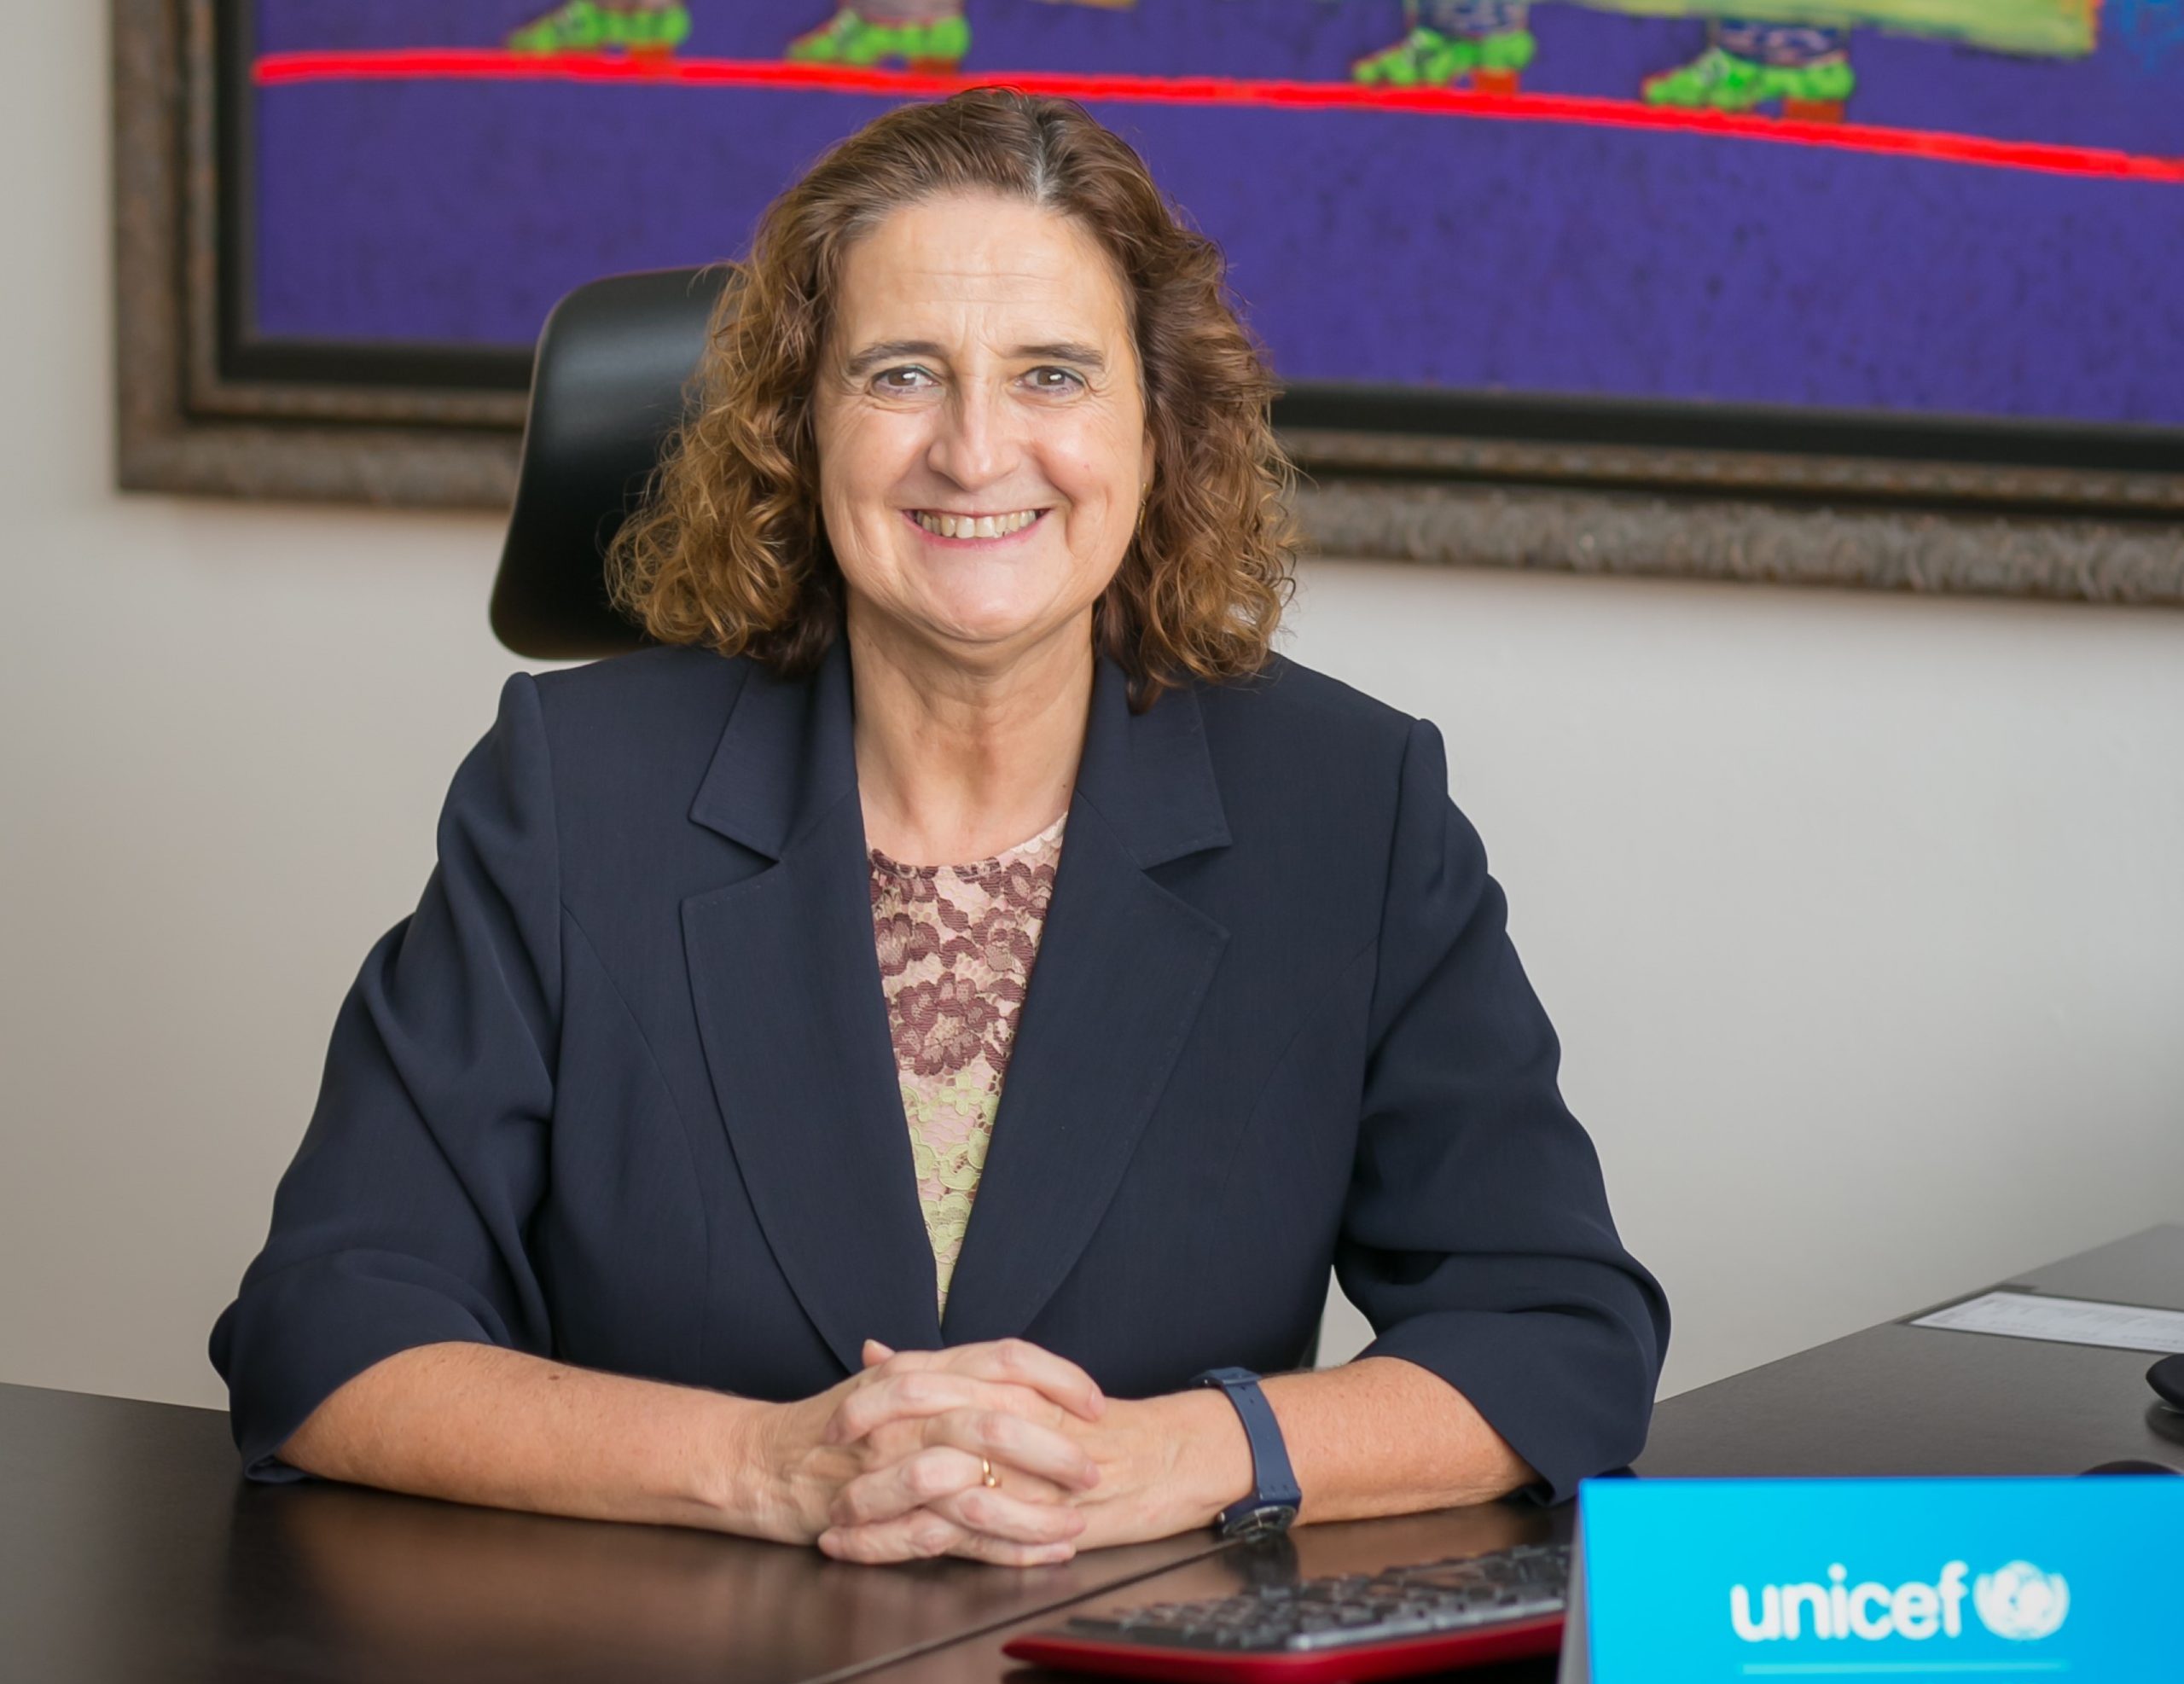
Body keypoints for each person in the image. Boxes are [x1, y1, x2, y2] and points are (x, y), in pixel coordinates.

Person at [209, 88, 1667, 1566]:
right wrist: (761, 1467)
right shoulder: (575, 794)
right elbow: (325, 1335)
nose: (975, 453)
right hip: (664, 1681)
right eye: (902, 374)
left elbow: (1556, 1337)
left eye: (1053, 376)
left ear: (1158, 426)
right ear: (799, 425)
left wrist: (1180, 1456)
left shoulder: (1349, 807)